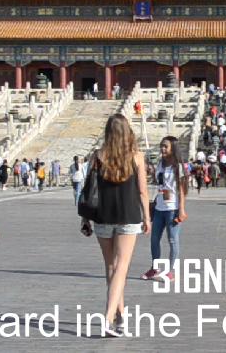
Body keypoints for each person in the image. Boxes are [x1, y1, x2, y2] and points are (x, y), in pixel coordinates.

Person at [80, 114, 150, 337]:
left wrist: (85, 218)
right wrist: (147, 216)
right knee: (122, 267)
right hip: (129, 216)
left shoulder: (98, 156)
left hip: (103, 217)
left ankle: (120, 317)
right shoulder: (137, 157)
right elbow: (142, 191)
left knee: (111, 268)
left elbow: (88, 190)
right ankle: (108, 318)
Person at [141, 136, 188, 281]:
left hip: (172, 206)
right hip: (160, 205)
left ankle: (171, 270)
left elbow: (181, 189)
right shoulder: (161, 163)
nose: (162, 149)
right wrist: (150, 171)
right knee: (155, 239)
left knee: (173, 239)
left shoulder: (177, 166)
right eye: (161, 146)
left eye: (165, 146)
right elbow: (158, 181)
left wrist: (181, 209)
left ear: (172, 148)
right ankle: (155, 268)